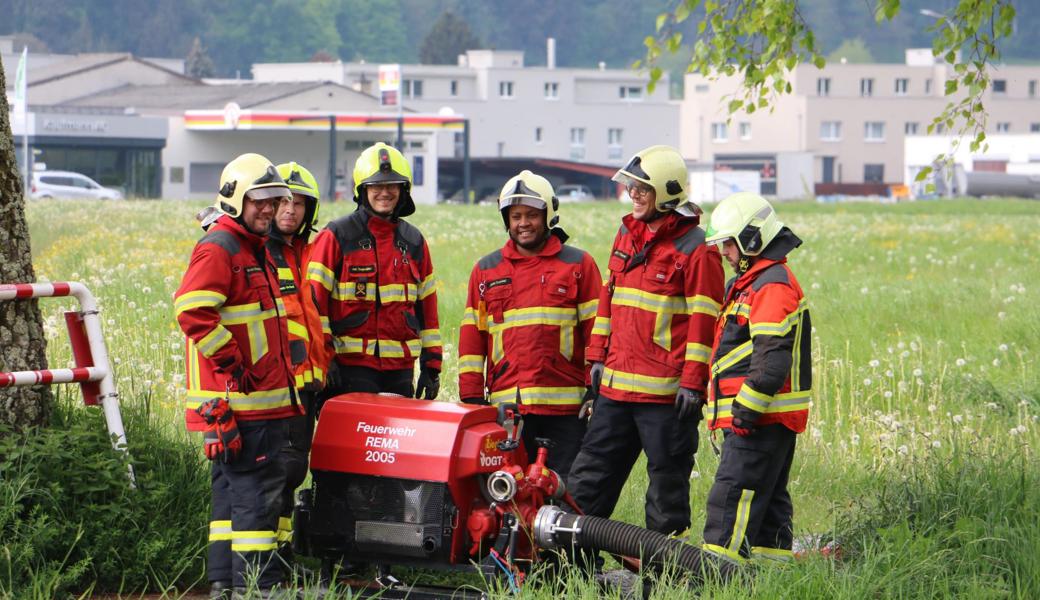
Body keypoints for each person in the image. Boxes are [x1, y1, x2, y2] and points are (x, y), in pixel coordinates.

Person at [569, 145, 725, 543]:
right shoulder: (627, 234)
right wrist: (596, 359)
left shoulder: (698, 249)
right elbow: (609, 302)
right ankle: (571, 566)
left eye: (642, 188)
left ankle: (665, 577)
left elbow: (704, 324)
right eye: (631, 186)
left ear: (667, 193)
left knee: (666, 495)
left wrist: (692, 382)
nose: (633, 194)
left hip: (665, 400)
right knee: (588, 482)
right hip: (616, 392)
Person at [174, 153, 302, 598]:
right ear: (234, 201)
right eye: (259, 201)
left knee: (230, 501)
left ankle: (224, 585)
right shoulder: (222, 248)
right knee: (257, 502)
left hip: (247, 403)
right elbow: (191, 311)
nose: (268, 209)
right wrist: (232, 361)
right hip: (244, 404)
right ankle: (261, 589)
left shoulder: (250, 246)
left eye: (272, 201)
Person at [458, 170, 601, 479]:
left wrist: (594, 388)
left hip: (565, 410)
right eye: (516, 215)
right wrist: (471, 397)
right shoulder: (485, 270)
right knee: (508, 495)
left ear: (548, 215)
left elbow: (597, 333)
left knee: (564, 493)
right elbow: (473, 336)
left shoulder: (578, 265)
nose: (523, 223)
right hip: (509, 409)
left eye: (532, 215)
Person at [700, 192, 812, 564]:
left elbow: (769, 361)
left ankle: (713, 578)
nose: (725, 254)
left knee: (731, 497)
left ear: (752, 237)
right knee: (768, 504)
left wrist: (744, 414)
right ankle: (772, 573)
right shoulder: (757, 281)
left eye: (728, 245)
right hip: (764, 419)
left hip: (758, 419)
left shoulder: (771, 286)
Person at [307, 142, 441, 400]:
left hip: (400, 370)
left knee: (394, 440)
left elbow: (428, 310)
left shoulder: (413, 242)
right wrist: (325, 358)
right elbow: (314, 304)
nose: (384, 192)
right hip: (348, 367)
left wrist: (431, 365)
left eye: (392, 185)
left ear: (403, 191)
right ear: (362, 190)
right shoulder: (337, 235)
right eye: (376, 186)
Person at [268, 161, 329, 565]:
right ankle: (267, 553)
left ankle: (284, 548)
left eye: (300, 204)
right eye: (283, 202)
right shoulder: (261, 252)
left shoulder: (309, 252)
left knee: (295, 470)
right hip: (277, 385)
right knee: (281, 471)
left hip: (309, 383)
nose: (291, 210)